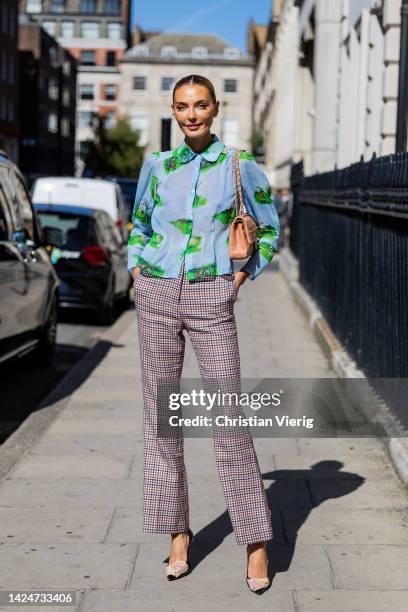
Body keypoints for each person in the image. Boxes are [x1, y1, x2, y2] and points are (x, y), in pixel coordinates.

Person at [127, 74, 280, 595]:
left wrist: (235, 281)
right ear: (173, 111)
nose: (191, 114)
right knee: (162, 420)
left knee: (227, 419)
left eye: (200, 105)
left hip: (211, 296)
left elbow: (271, 230)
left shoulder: (240, 165)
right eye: (182, 106)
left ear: (215, 108)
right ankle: (177, 533)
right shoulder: (158, 166)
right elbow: (141, 225)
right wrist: (138, 272)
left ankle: (255, 540)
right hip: (157, 296)